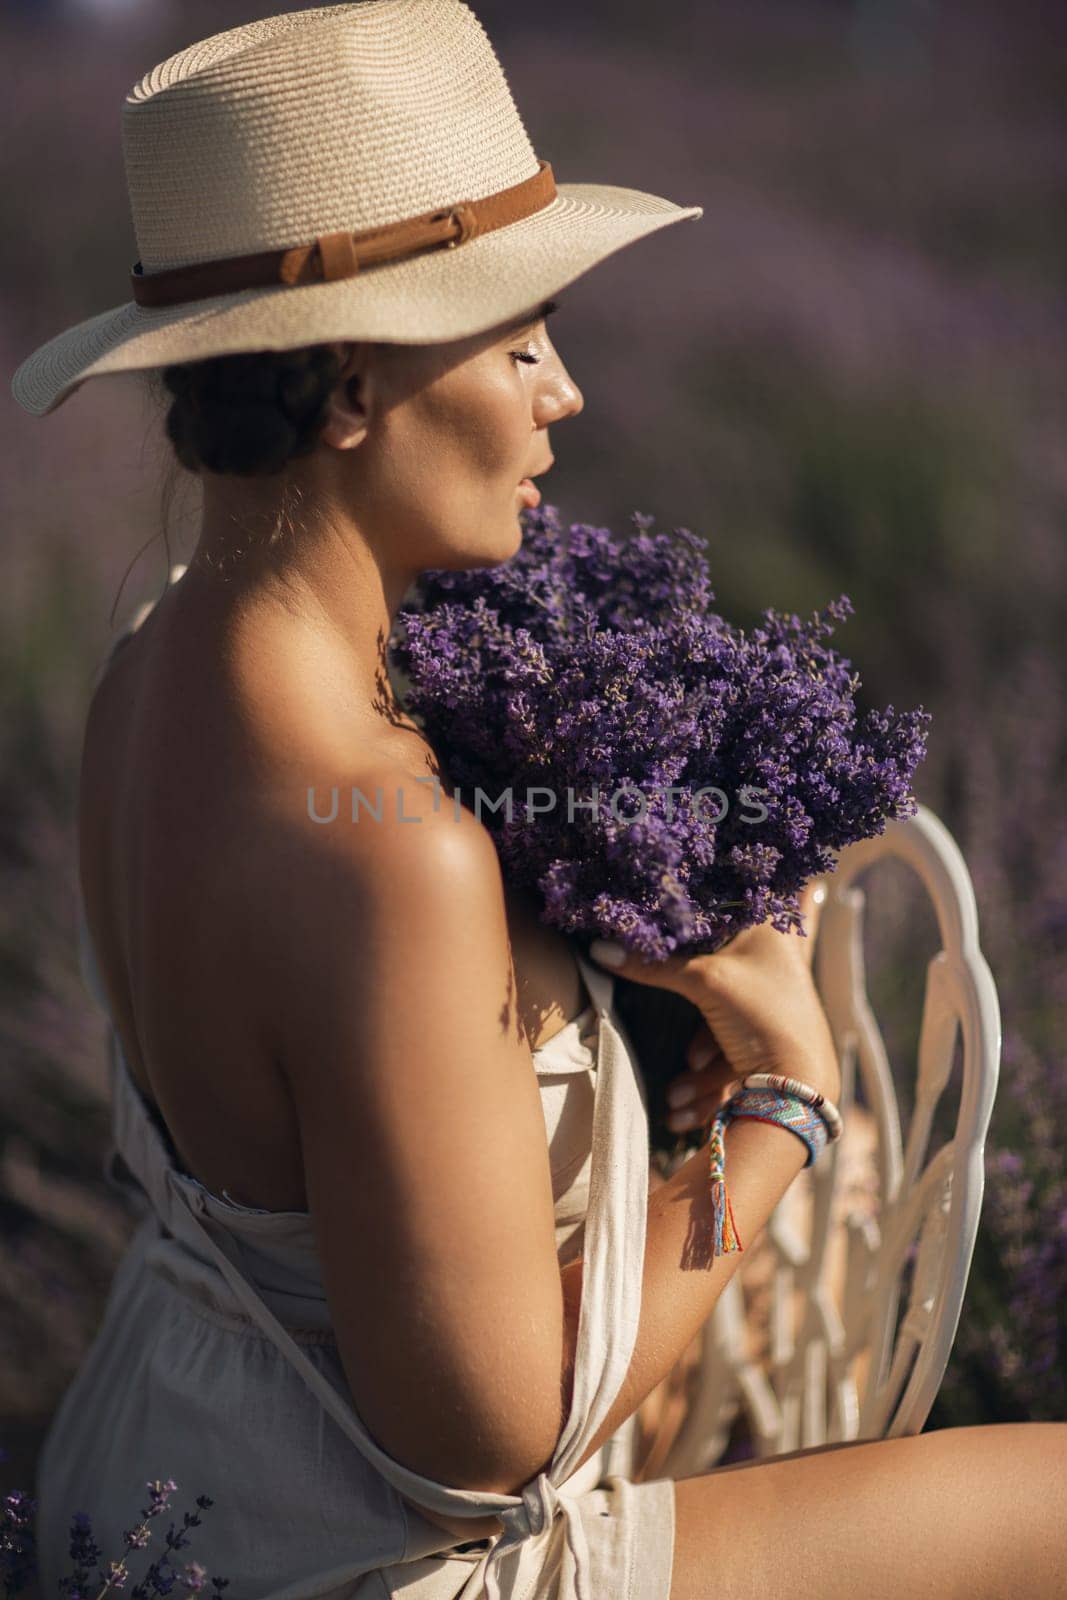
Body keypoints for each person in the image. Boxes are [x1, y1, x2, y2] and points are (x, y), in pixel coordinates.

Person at [11, 5, 1067, 1600]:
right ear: (353, 383)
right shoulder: (384, 848)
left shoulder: (144, 673)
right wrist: (787, 1086)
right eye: (519, 339)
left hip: (161, 1472)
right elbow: (487, 1452)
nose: (562, 391)